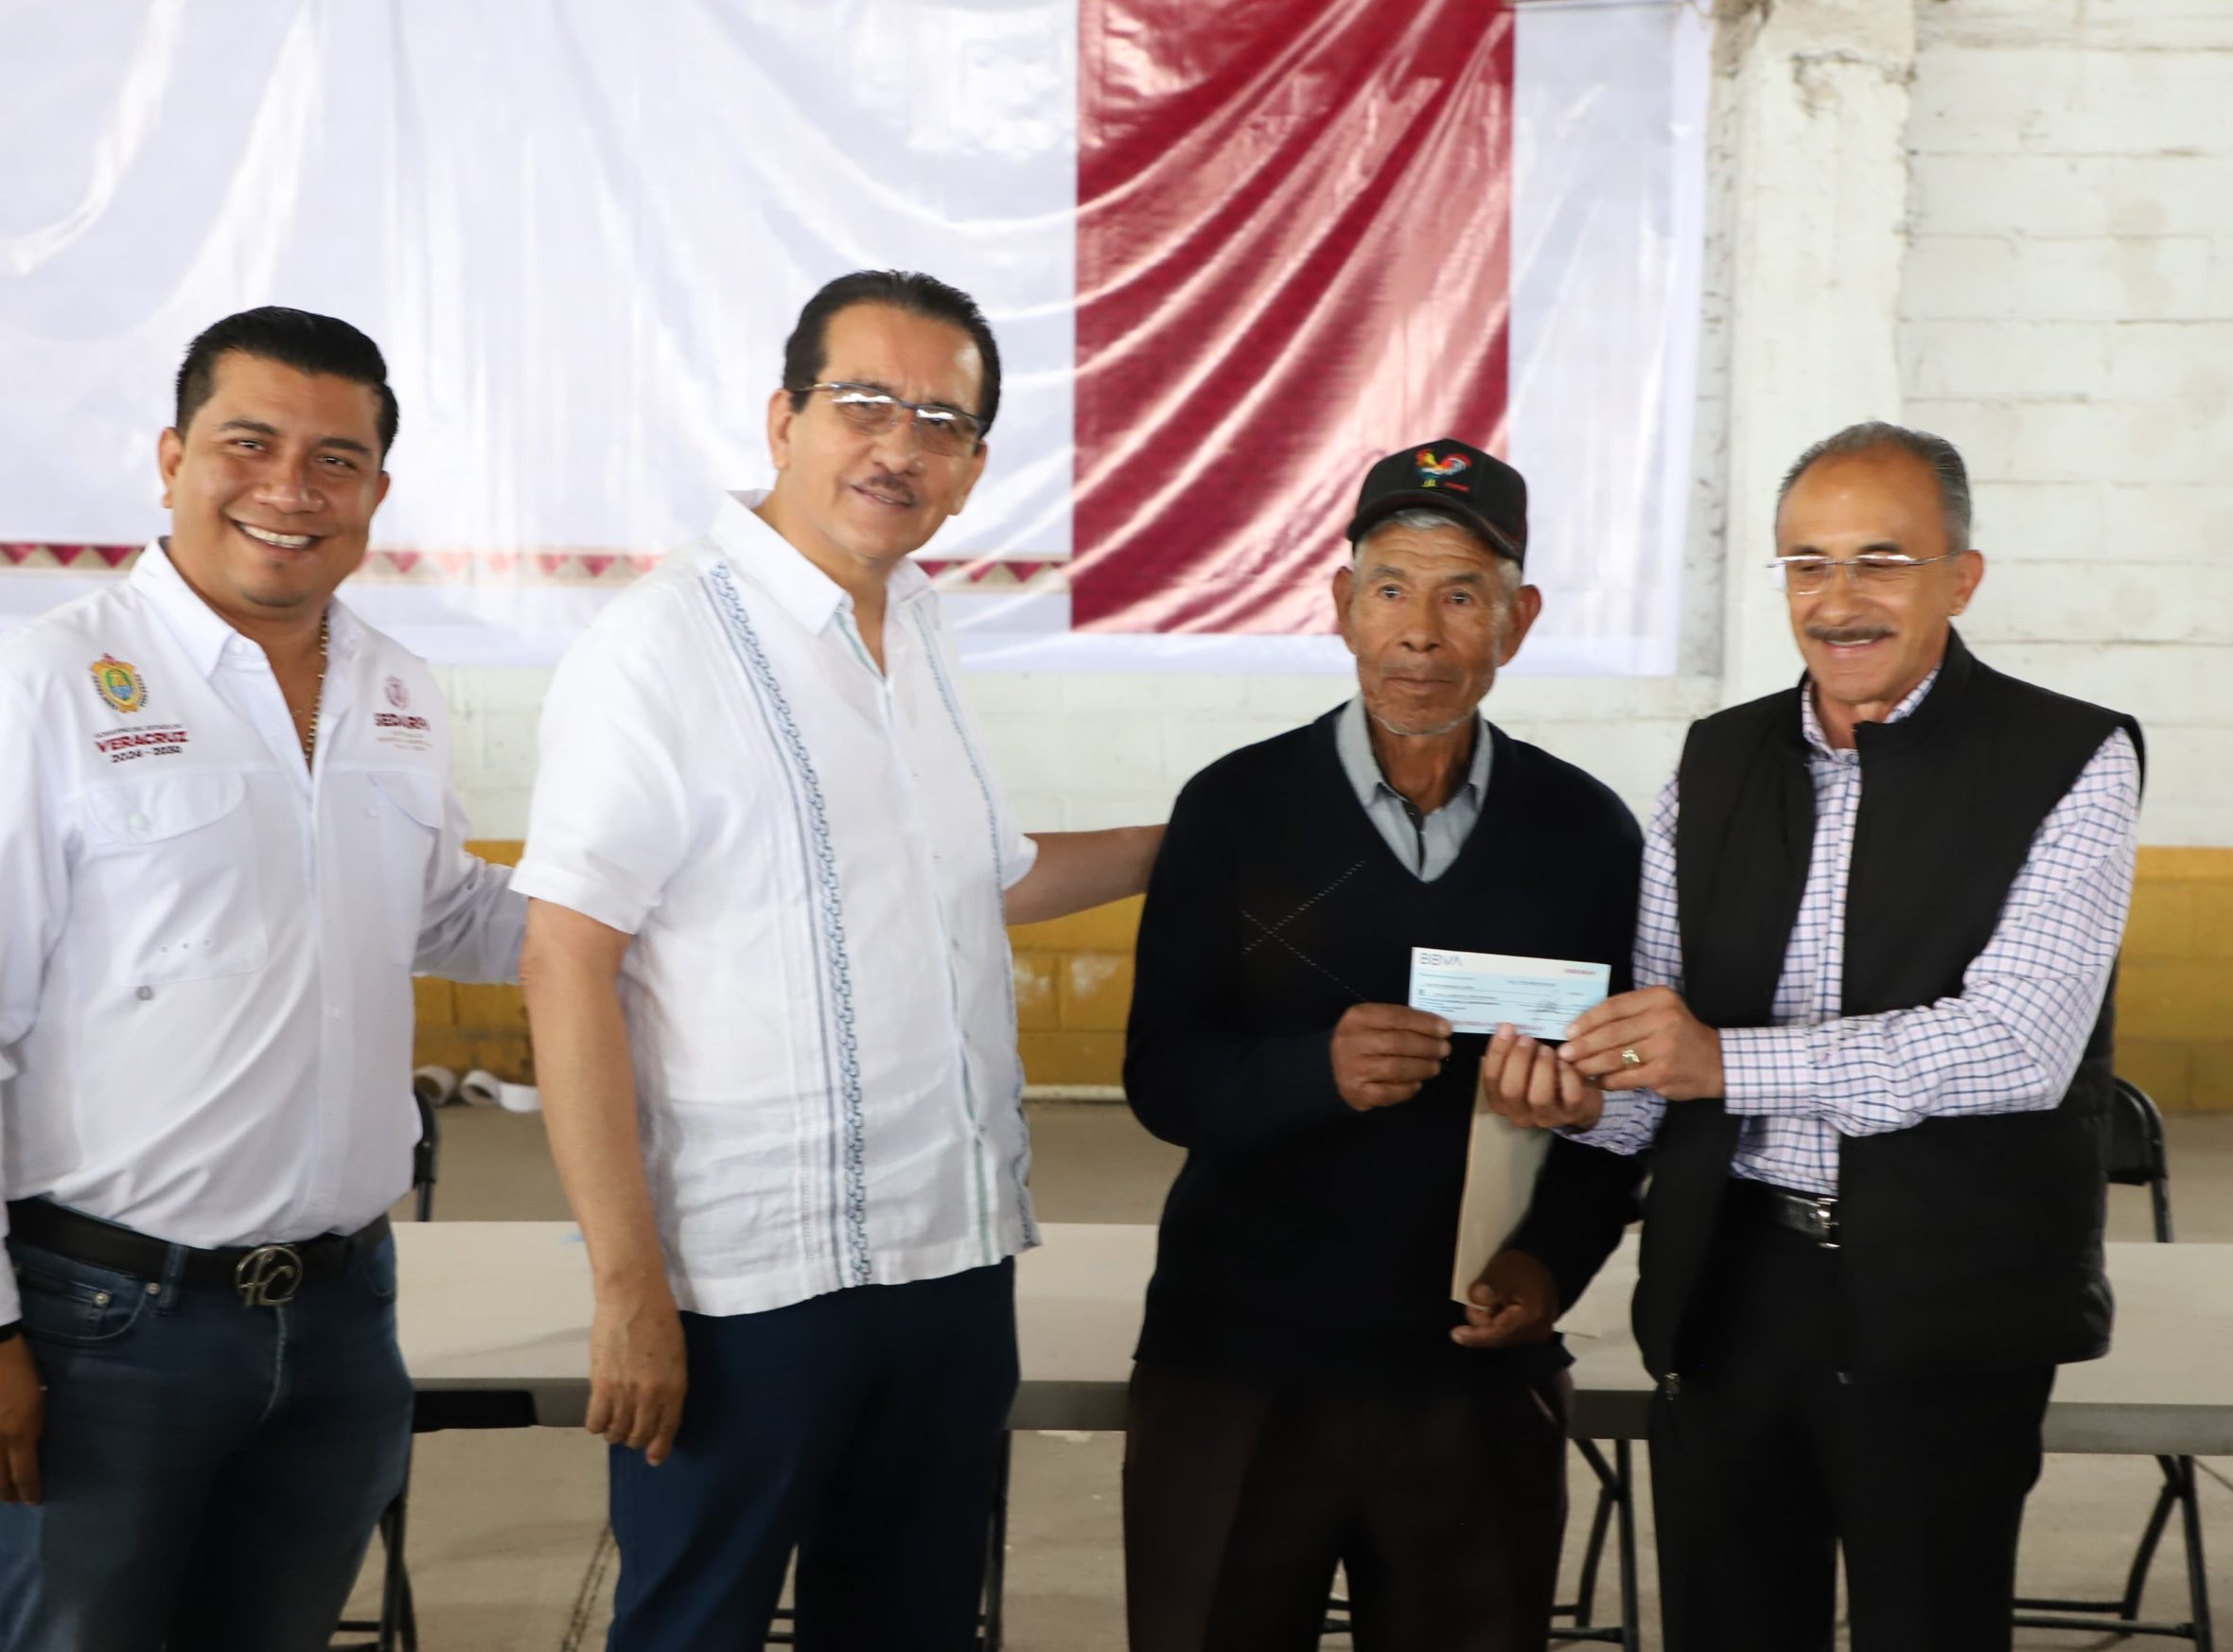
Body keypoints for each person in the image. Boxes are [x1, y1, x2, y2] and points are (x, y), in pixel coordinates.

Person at [0, 307, 528, 1652]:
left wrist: (685, 920)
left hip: (342, 1319)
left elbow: (445, 912)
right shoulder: (40, 687)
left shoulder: (396, 688)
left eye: (336, 459)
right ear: (172, 459)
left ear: (377, 491)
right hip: (105, 1327)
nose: (291, 488)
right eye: (248, 443)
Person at [515, 269, 1163, 1652]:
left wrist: (1198, 843)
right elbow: (564, 955)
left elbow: (982, 880)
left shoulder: (918, 627)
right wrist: (626, 1284)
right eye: (863, 402)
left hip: (950, 1261)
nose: (898, 446)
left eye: (941, 422)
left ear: (973, 468)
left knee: (911, 1628)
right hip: (745, 1288)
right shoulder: (659, 645)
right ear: (783, 419)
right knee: (693, 1631)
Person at [1484, 421, 2143, 1652]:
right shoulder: (1716, 760)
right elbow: (1657, 1049)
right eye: (1807, 563)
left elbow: (2017, 1045)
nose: (1838, 600)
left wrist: (1724, 1061)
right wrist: (1588, 1102)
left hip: (1950, 1301)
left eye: (1880, 560)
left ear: (1962, 576)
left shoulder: (2070, 758)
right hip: (1732, 1285)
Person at [1118, 439, 1646, 1652]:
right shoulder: (1233, 808)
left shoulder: (1586, 834)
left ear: (1517, 621)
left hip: (1470, 1368)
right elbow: (1162, 1076)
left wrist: (1550, 1266)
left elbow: (1620, 1106)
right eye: (1391, 588)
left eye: (1461, 595)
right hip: (1238, 1359)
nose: (1420, 632)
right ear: (1340, 605)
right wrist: (1316, 1070)